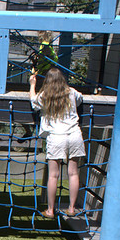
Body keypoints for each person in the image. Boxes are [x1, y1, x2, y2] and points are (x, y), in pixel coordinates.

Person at [29, 68, 84, 218]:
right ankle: (72, 208)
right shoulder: (71, 92)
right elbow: (80, 99)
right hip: (74, 134)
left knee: (53, 175)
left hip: (56, 137)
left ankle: (50, 210)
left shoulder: (45, 95)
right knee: (73, 173)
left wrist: (32, 84)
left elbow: (34, 102)